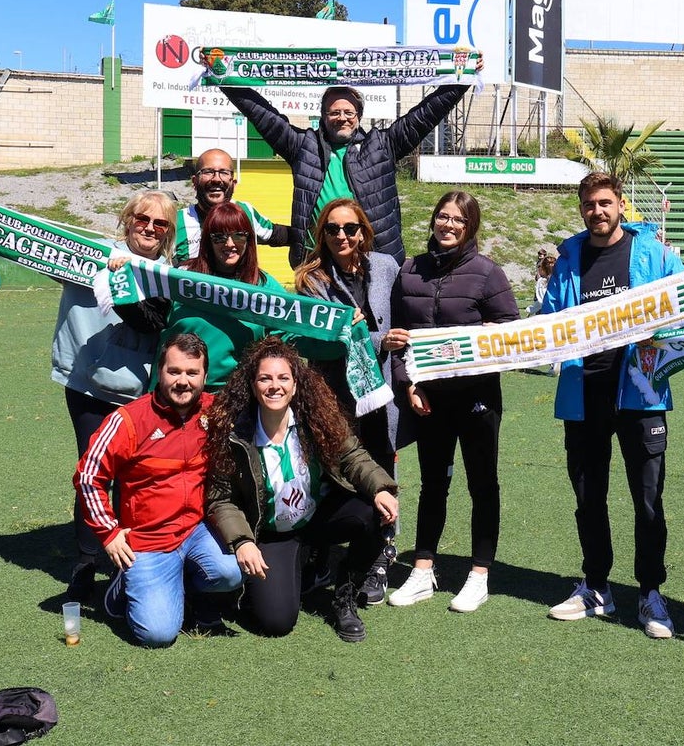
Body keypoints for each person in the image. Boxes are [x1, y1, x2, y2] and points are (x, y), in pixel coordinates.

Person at [541, 172, 684, 636]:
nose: (597, 212)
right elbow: (546, 322)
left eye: (605, 203)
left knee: (647, 501)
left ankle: (650, 593)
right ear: (581, 208)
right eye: (589, 205)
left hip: (641, 396)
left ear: (621, 204)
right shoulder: (569, 258)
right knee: (588, 499)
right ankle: (597, 586)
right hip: (583, 395)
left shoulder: (654, 254)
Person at [205, 337, 399, 642]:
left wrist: (380, 488)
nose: (274, 386)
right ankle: (302, 565)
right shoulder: (235, 432)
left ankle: (344, 594)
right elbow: (221, 498)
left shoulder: (316, 417)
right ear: (252, 385)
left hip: (316, 517)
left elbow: (352, 457)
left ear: (295, 384)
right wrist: (242, 541)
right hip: (271, 532)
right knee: (276, 622)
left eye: (283, 378)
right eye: (265, 378)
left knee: (372, 512)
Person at [386, 190, 519, 613]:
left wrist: (480, 340)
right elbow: (399, 339)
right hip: (430, 401)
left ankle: (479, 574)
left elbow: (509, 332)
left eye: (458, 220)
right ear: (433, 220)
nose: (448, 225)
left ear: (470, 227)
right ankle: (423, 569)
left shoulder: (487, 273)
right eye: (443, 217)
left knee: (482, 485)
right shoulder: (409, 272)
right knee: (432, 485)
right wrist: (409, 384)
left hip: (478, 400)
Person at [219, 57, 483, 266]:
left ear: (359, 116)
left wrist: (461, 80)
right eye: (334, 112)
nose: (342, 118)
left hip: (373, 262)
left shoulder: (383, 146)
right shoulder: (302, 146)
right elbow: (262, 115)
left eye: (349, 112)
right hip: (316, 263)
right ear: (323, 116)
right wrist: (223, 76)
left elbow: (425, 115)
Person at [75, 333, 243, 647]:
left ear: (205, 376)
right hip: (148, 540)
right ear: (159, 371)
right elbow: (89, 477)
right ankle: (122, 585)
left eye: (192, 373)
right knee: (157, 634)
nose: (183, 381)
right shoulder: (128, 420)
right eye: (174, 371)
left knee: (233, 572)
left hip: (196, 530)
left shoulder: (214, 411)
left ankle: (181, 586)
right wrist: (109, 534)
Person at [53, 190, 176, 601]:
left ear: (169, 233)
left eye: (160, 224)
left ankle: (129, 560)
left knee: (133, 479)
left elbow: (151, 321)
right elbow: (39, 252)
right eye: (143, 219)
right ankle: (86, 563)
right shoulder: (92, 255)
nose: (150, 229)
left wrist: (122, 280)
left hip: (138, 396)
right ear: (127, 220)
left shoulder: (169, 276)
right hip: (88, 387)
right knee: (93, 473)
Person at [293, 197, 409, 604]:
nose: (341, 236)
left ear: (364, 231)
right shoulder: (311, 280)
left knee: (382, 470)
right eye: (332, 229)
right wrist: (377, 339)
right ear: (321, 234)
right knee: (331, 476)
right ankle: (320, 555)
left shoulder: (386, 267)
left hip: (381, 397)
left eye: (350, 228)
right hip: (334, 396)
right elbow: (323, 342)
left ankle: (380, 556)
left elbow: (405, 314)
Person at [158, 201, 286, 391]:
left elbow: (292, 331)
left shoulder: (265, 286)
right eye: (219, 237)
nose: (229, 244)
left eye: (239, 236)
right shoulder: (183, 278)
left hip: (234, 397)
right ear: (207, 241)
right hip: (177, 391)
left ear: (249, 239)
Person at [173, 147, 292, 264]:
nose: (216, 179)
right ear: (194, 182)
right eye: (208, 172)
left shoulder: (245, 211)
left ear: (233, 184)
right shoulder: (175, 222)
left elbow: (277, 234)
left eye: (224, 172)